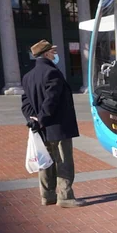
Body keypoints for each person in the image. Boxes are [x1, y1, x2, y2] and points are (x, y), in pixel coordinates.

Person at [21, 40, 83, 208]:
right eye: (53, 53)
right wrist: (42, 118)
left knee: (46, 161)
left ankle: (47, 196)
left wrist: (33, 119)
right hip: (58, 126)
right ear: (46, 54)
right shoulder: (52, 73)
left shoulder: (28, 76)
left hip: (41, 128)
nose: (55, 55)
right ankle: (65, 197)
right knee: (63, 161)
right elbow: (51, 100)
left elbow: (25, 103)